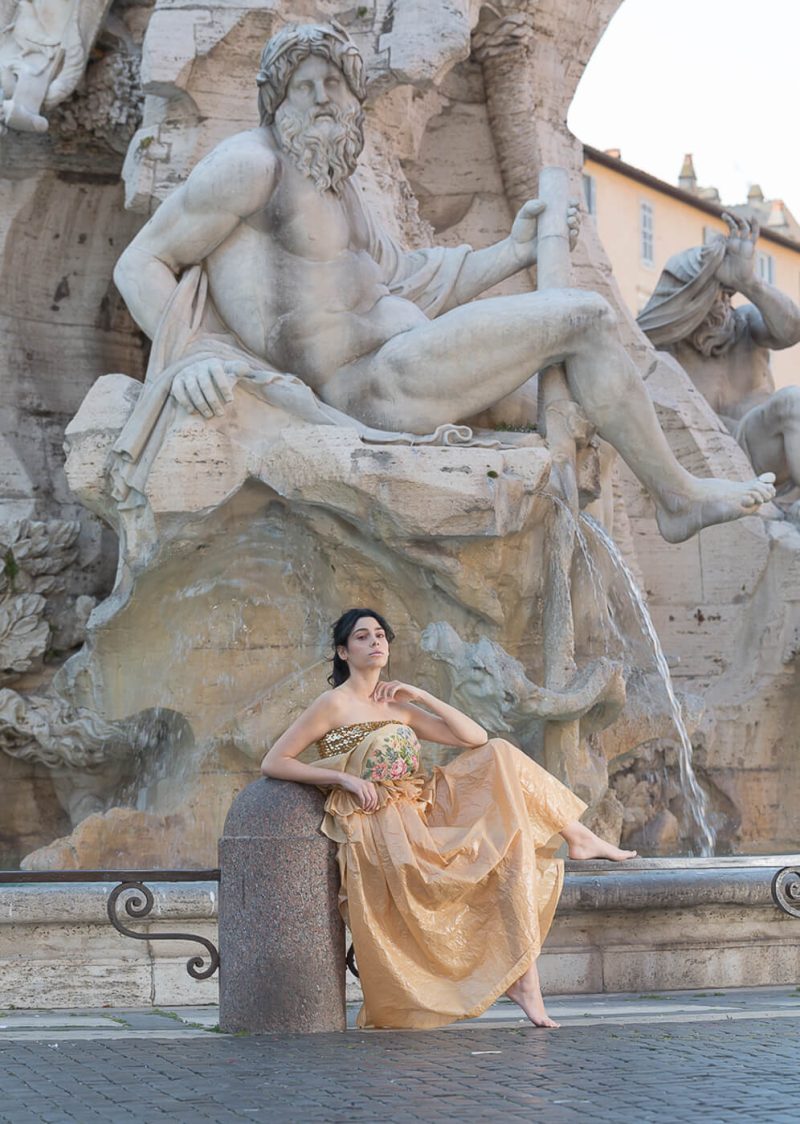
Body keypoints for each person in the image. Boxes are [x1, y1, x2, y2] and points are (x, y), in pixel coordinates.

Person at [112, 21, 775, 542]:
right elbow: (139, 262)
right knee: (587, 317)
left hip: (407, 359)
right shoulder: (250, 167)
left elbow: (413, 281)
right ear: (276, 101)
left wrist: (515, 250)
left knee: (563, 406)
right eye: (304, 85)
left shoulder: (339, 188)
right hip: (369, 386)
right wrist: (193, 355)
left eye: (335, 83)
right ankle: (678, 498)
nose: (322, 97)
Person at [260, 608, 635, 1031]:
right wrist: (342, 778)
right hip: (381, 825)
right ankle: (526, 977)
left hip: (420, 808)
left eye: (380, 635)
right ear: (343, 652)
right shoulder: (333, 704)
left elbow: (475, 738)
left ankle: (572, 848)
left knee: (500, 760)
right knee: (504, 845)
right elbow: (275, 761)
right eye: (362, 637)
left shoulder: (399, 706)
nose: (375, 642)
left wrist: (421, 696)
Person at [637, 213, 800, 518]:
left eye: (727, 294)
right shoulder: (662, 352)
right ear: (687, 302)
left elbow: (792, 330)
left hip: (762, 449)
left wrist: (749, 282)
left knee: (793, 401)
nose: (723, 305)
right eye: (714, 295)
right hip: (709, 464)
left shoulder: (746, 324)